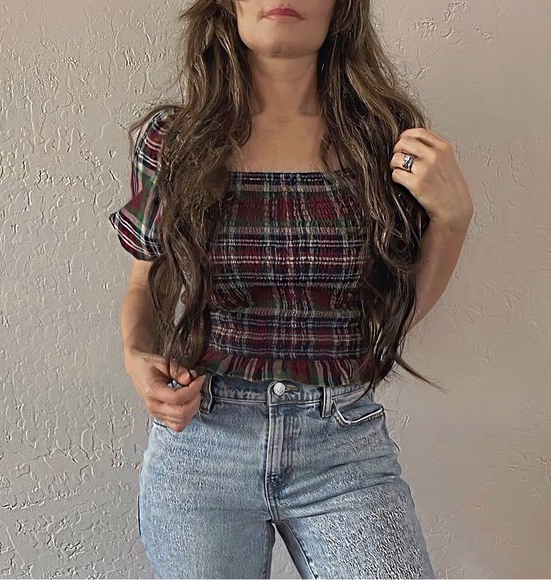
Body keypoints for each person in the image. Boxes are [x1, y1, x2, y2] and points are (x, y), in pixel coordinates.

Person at [108, 1, 473, 578]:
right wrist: (136, 355)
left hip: (343, 446)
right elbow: (147, 279)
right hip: (203, 440)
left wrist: (452, 221)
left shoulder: (384, 138)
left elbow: (392, 315)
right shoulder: (174, 140)